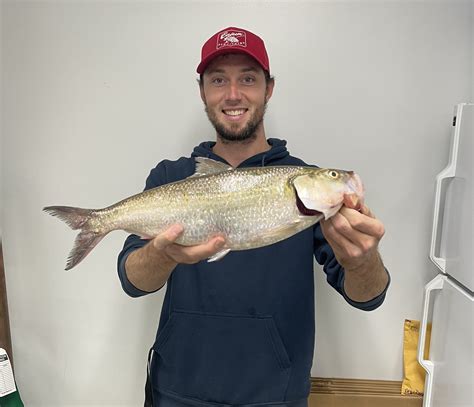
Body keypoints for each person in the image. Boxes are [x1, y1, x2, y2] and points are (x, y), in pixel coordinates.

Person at [117, 26, 390, 407]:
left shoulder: (306, 188)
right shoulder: (170, 178)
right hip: (176, 391)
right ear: (202, 92)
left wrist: (363, 261)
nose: (233, 94)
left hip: (275, 396)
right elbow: (133, 281)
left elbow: (367, 297)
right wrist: (163, 253)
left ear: (269, 88)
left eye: (247, 78)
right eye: (218, 80)